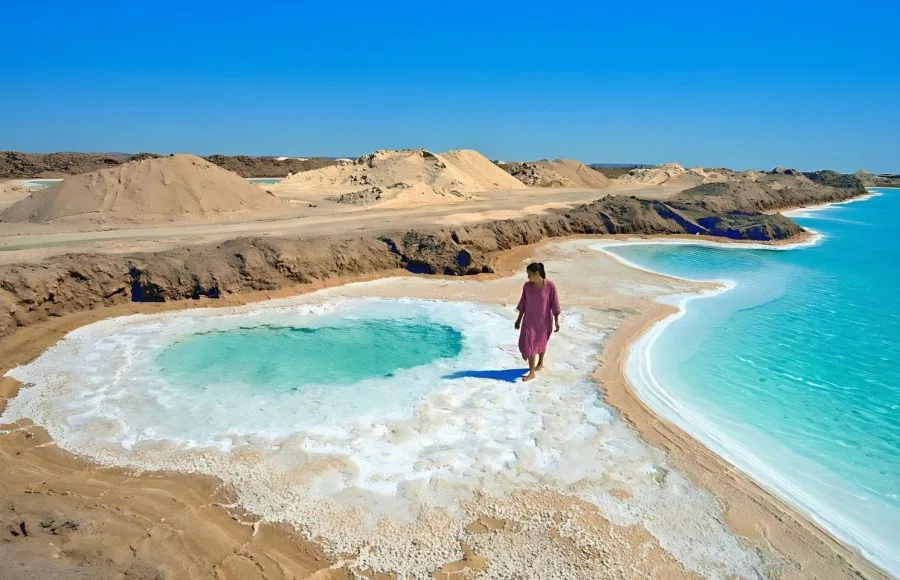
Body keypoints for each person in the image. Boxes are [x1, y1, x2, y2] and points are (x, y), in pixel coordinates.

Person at [514, 262, 561, 382]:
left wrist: (556, 321)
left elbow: (554, 304)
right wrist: (518, 320)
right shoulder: (527, 286)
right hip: (529, 321)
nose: (528, 277)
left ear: (537, 274)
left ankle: (540, 363)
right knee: (529, 344)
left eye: (529, 275)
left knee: (541, 342)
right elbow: (523, 303)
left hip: (544, 321)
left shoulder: (550, 286)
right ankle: (531, 372)